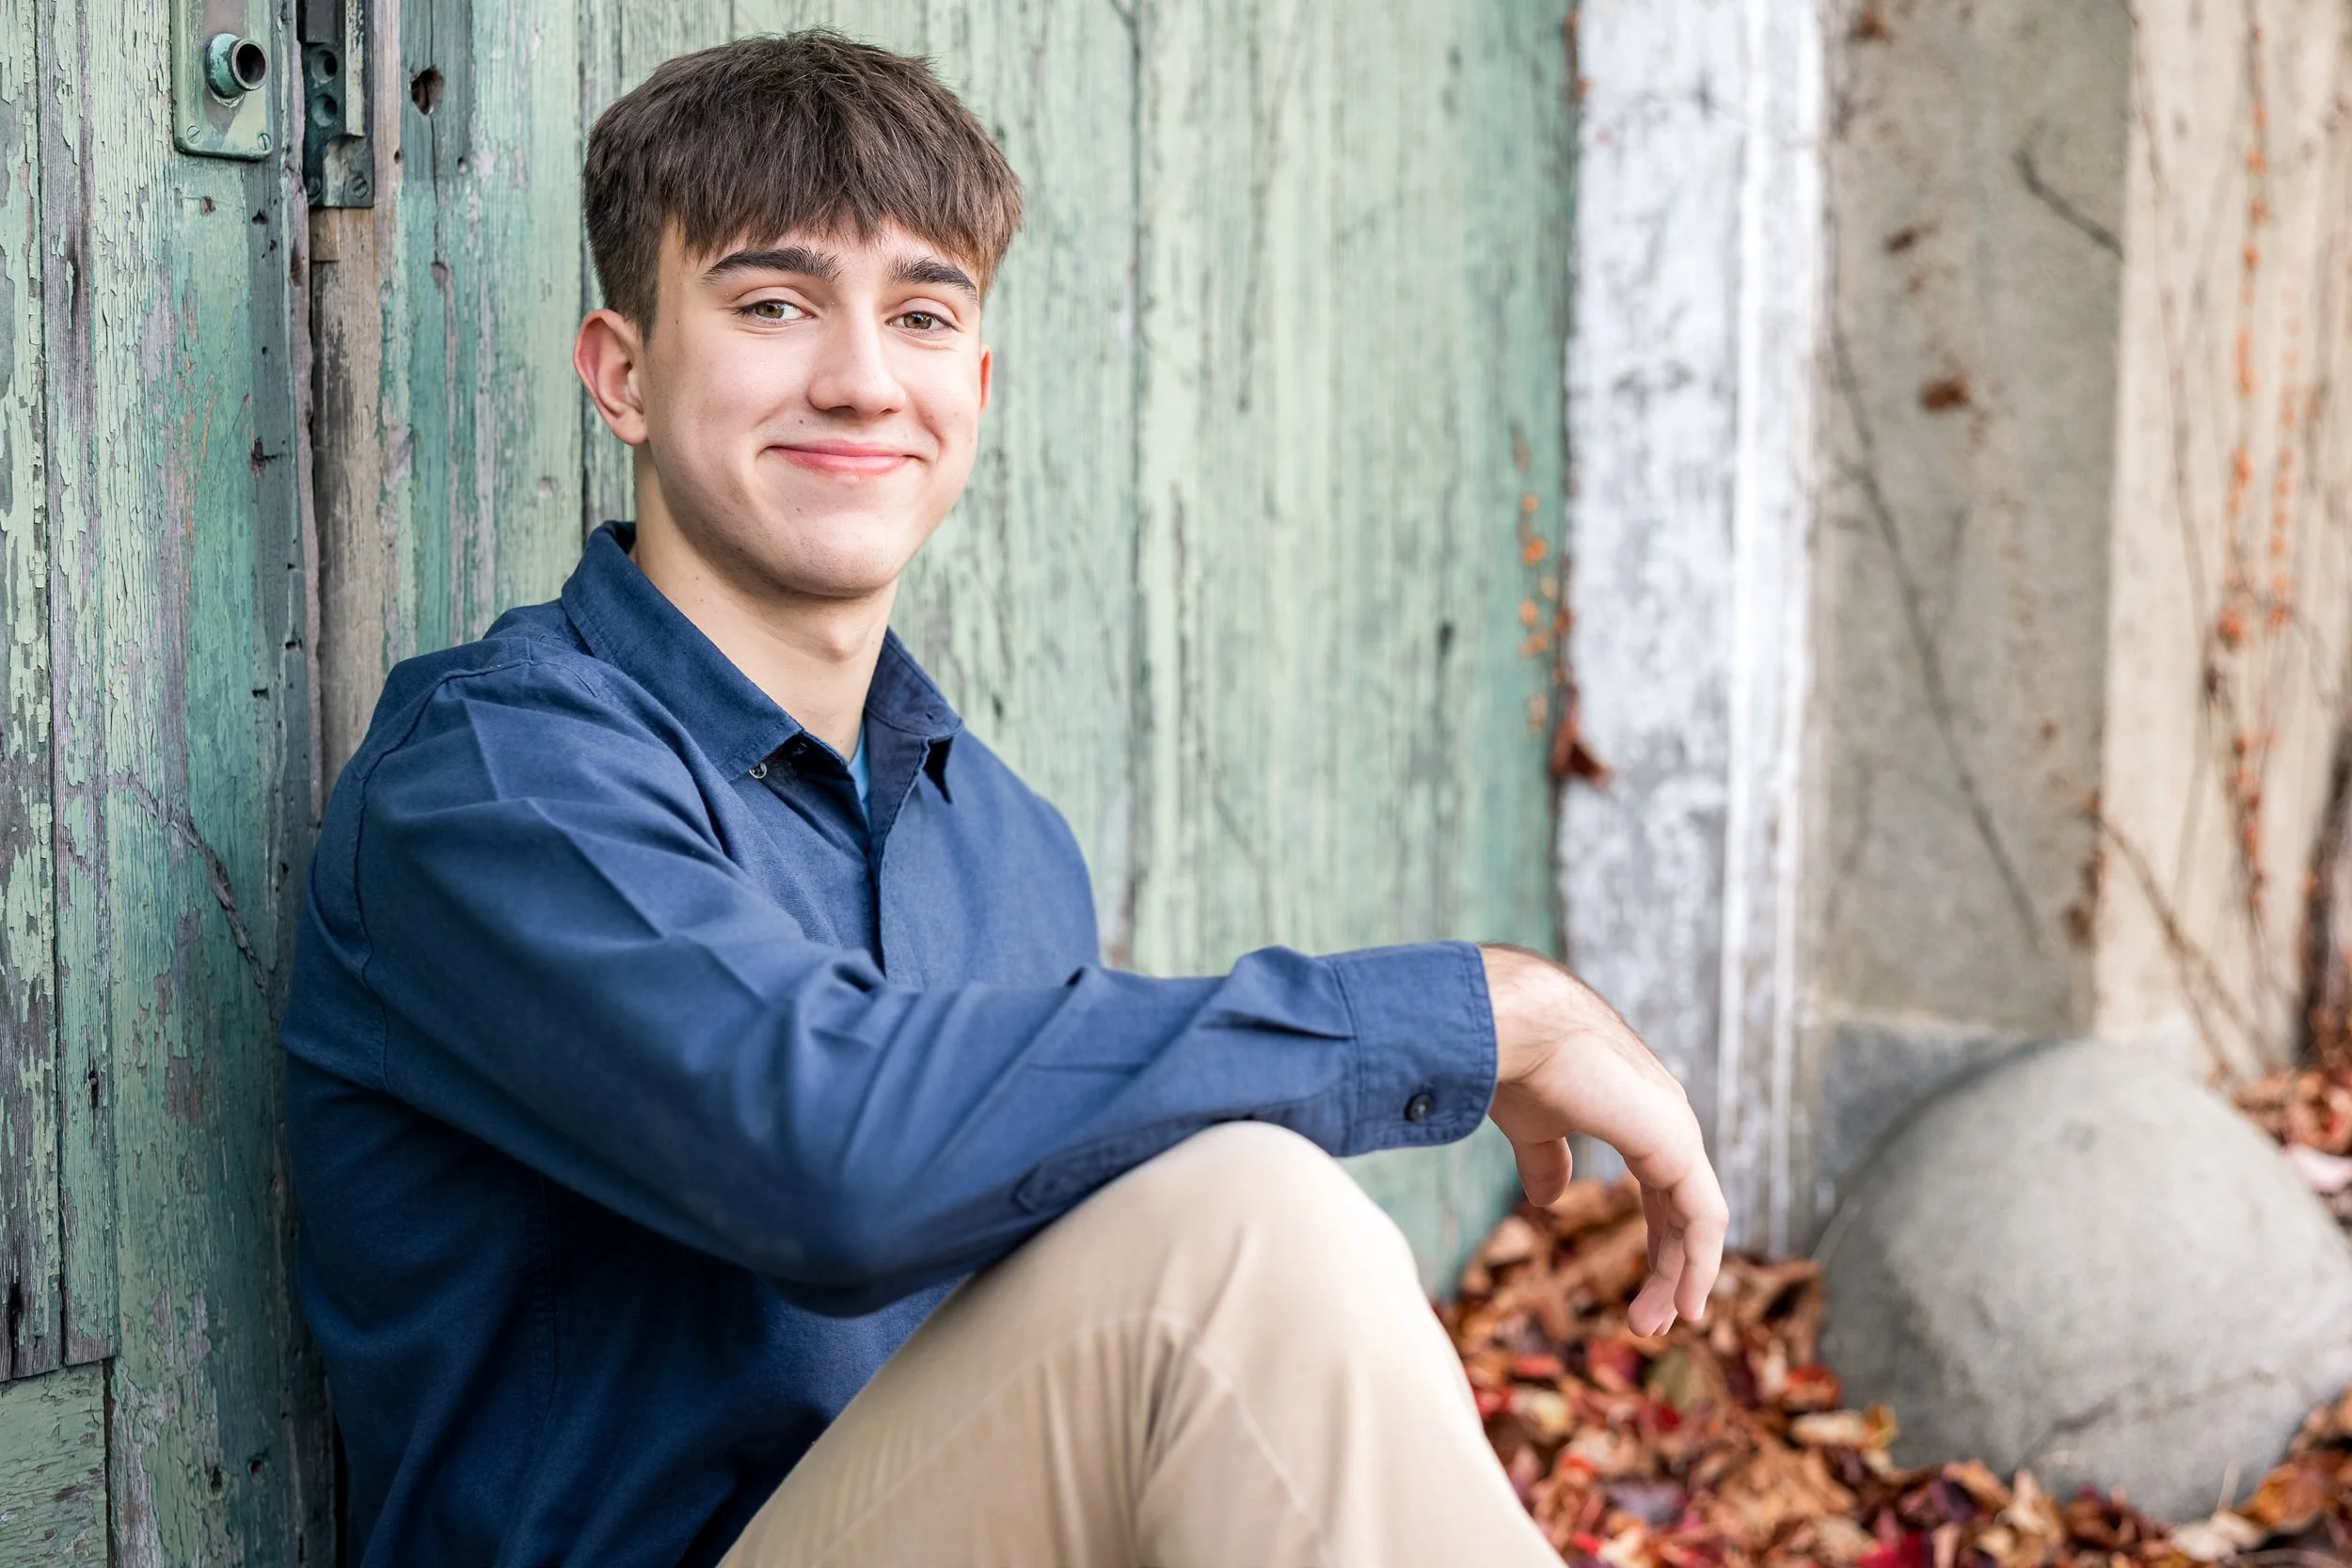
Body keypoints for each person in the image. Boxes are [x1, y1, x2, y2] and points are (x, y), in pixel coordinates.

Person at [280, 29, 1727, 1568]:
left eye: (920, 314)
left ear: (972, 385)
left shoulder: (1004, 844)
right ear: (623, 373)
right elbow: (828, 1152)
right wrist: (1469, 1013)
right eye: (774, 304)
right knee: (1244, 1229)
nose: (858, 377)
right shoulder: (495, 776)